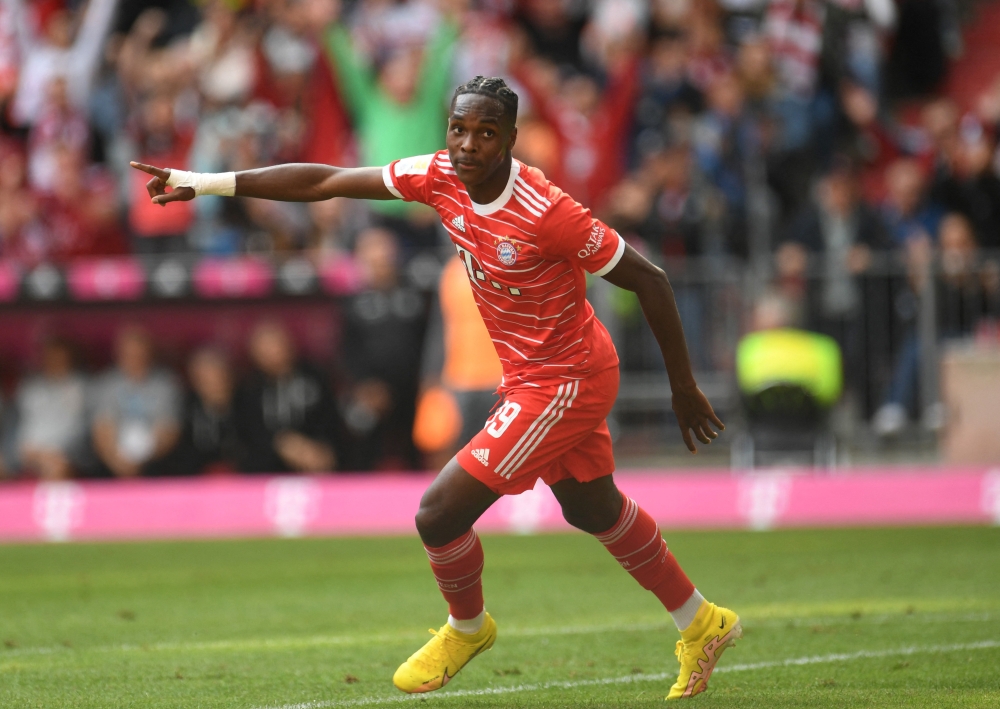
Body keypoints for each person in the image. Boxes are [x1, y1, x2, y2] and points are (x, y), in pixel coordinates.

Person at [130, 75, 735, 701]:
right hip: (530, 375)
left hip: (568, 380)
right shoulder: (439, 174)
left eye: (486, 133)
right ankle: (702, 622)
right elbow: (327, 181)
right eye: (459, 128)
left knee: (438, 513)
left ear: (510, 141)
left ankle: (466, 629)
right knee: (589, 507)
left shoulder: (547, 212)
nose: (468, 144)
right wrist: (203, 182)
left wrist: (683, 388)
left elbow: (652, 280)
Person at [233, 322, 341, 474]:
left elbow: (331, 419)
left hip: (318, 463)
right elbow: (248, 435)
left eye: (276, 345)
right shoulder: (249, 389)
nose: (272, 354)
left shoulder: (316, 377)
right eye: (264, 350)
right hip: (266, 471)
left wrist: (316, 449)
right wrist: (281, 445)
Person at [91, 327, 182, 478]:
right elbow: (102, 428)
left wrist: (140, 461)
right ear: (119, 354)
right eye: (128, 353)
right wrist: (116, 461)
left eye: (140, 352)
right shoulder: (107, 384)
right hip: (113, 460)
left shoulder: (165, 384)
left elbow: (168, 431)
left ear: (149, 353)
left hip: (153, 460)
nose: (134, 357)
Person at [15, 337, 89, 480]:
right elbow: (23, 425)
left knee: (57, 467)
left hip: (67, 454)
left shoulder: (81, 387)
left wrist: (53, 453)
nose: (56, 362)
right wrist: (32, 451)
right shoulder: (31, 388)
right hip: (32, 451)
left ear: (70, 359)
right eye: (51, 357)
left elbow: (78, 430)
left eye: (60, 358)